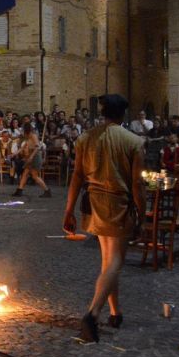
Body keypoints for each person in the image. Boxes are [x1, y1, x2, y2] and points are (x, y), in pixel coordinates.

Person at [63, 94, 145, 343]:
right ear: (123, 115)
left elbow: (76, 176)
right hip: (118, 203)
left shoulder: (85, 138)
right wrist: (143, 212)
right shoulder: (134, 141)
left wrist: (68, 210)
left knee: (109, 260)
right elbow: (137, 183)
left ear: (103, 113)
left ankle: (115, 311)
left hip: (94, 201)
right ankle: (93, 312)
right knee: (116, 260)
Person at [12, 123, 51, 197]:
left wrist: (31, 157)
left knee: (35, 176)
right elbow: (22, 148)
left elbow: (37, 147)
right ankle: (19, 190)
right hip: (31, 156)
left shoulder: (33, 136)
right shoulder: (28, 137)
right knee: (25, 173)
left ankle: (47, 190)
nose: (23, 131)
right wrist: (14, 154)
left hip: (35, 156)